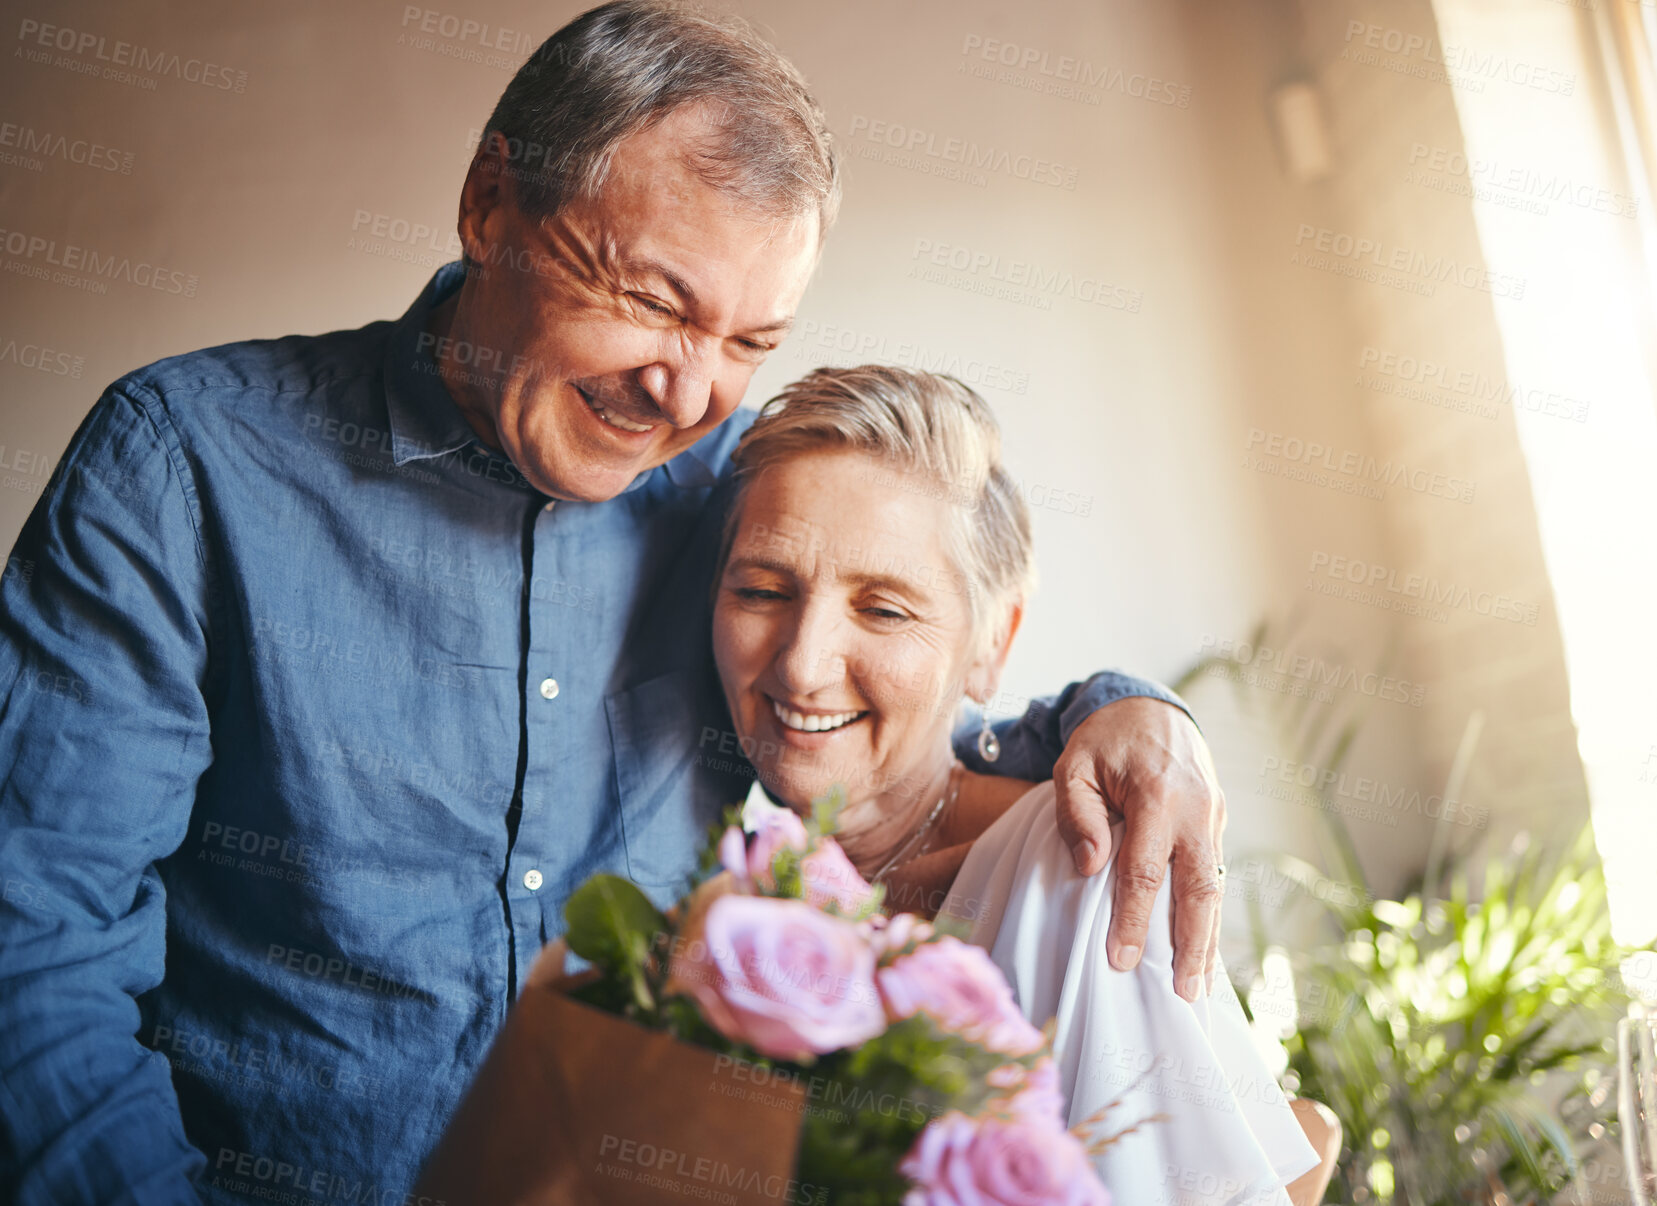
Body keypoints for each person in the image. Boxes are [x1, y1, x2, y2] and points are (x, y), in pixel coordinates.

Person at [0, 4, 1225, 1202]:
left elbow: (883, 725)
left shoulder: (728, 499)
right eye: (651, 301)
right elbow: (35, 944)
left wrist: (1119, 713)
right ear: (491, 206)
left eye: (749, 339)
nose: (688, 390)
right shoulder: (186, 466)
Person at [714, 366, 1328, 1204]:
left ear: (990, 645)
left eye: (884, 611)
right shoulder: (719, 888)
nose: (802, 663)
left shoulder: (1079, 871)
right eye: (760, 590)